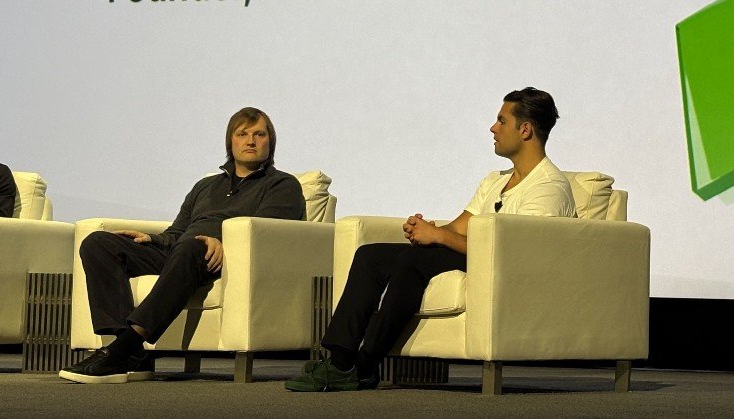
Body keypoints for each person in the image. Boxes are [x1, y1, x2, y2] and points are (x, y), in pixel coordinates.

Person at [285, 87, 577, 392]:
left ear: (525, 130)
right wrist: (426, 232)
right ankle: (340, 361)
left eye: (502, 121)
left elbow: (515, 253)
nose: (493, 128)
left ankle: (366, 365)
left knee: (414, 261)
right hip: (478, 256)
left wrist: (439, 236)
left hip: (507, 270)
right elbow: (460, 227)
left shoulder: (548, 187)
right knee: (370, 256)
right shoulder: (496, 180)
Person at [60, 107, 306, 384]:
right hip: (182, 252)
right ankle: (131, 351)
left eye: (259, 134)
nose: (250, 141)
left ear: (270, 142)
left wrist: (224, 244)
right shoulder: (205, 186)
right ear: (231, 142)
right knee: (98, 243)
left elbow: (265, 235)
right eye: (242, 134)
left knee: (191, 247)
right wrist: (152, 239)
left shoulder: (282, 185)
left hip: (220, 260)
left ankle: (122, 350)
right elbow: (177, 232)